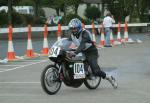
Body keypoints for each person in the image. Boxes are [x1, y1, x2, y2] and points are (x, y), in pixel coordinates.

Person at [68, 18, 118, 89]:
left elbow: (82, 45)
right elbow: (67, 42)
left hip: (91, 51)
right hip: (81, 51)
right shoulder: (72, 34)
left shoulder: (85, 33)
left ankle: (109, 78)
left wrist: (75, 52)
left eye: (74, 29)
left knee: (96, 71)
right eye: (71, 29)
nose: (73, 30)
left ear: (79, 28)